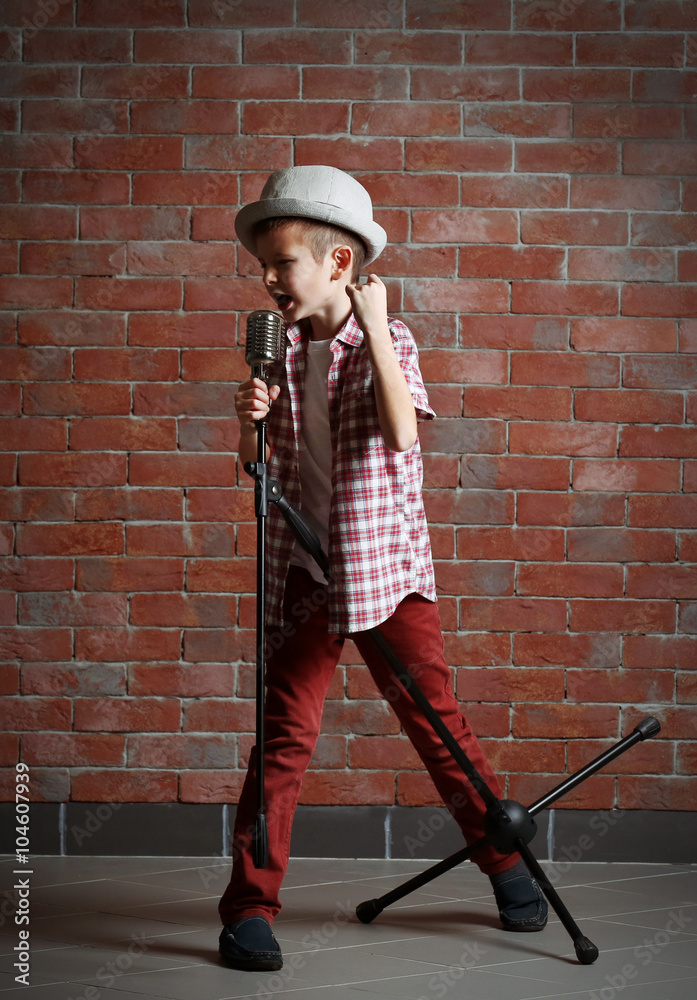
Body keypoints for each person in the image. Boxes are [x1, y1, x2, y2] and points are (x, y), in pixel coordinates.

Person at [218, 165, 547, 971]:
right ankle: (249, 908)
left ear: (337, 264)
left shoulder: (386, 341)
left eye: (281, 263)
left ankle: (506, 864)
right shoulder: (279, 351)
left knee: (435, 725)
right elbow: (260, 466)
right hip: (306, 569)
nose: (268, 279)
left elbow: (402, 434)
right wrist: (251, 420)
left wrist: (372, 326)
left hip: (384, 573)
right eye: (262, 265)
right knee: (282, 738)